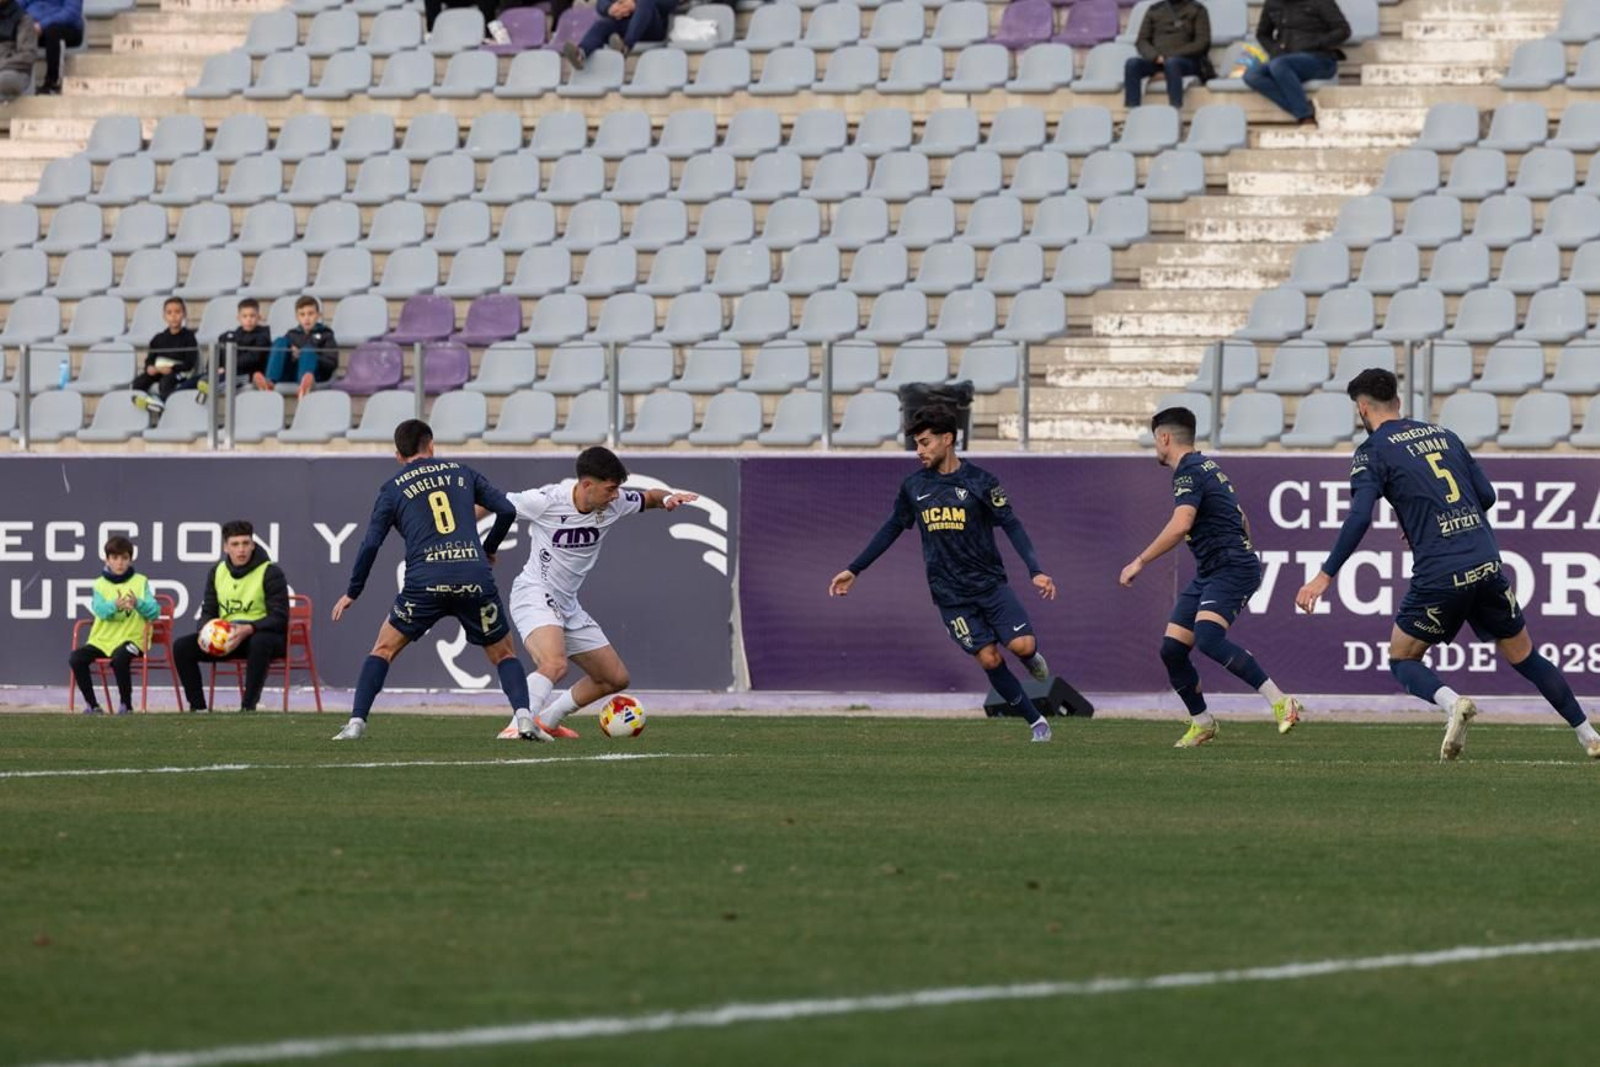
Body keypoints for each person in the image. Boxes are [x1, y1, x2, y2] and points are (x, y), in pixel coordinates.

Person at [1296, 369, 1600, 762]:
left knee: (1403, 658)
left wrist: (1324, 576)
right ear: (1398, 403)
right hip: (1485, 562)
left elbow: (1359, 517)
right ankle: (1588, 734)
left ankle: (1453, 703)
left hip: (1440, 571)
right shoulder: (1444, 435)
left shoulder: (1373, 451)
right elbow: (1486, 495)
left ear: (1363, 409)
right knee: (1526, 655)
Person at [829, 406, 1059, 742]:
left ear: (947, 439)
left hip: (990, 586)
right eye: (916, 444)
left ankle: (1030, 658)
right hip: (951, 596)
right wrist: (855, 569)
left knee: (1022, 646)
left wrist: (1035, 570)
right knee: (989, 658)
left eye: (925, 443)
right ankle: (1036, 722)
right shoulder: (914, 487)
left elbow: (1011, 523)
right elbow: (892, 527)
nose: (919, 451)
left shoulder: (981, 481)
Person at [330, 419, 537, 742]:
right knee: (505, 655)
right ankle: (524, 719)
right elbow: (507, 511)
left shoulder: (392, 488)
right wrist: (488, 549)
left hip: (425, 583)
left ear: (398, 455)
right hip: (473, 577)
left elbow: (370, 543)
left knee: (383, 649)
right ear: (431, 445)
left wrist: (353, 591)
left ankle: (356, 723)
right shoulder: (462, 473)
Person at [1119, 406, 1304, 748]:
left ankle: (1281, 701)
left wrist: (1139, 561)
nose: (1155, 447)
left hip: (1230, 568)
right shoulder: (1208, 467)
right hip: (1214, 570)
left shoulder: (1188, 472)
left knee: (1208, 637)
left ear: (1165, 438)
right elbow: (1241, 516)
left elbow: (1181, 525)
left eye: (1155, 440)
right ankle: (1202, 722)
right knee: (1172, 649)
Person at [491, 446, 699, 741]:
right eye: (610, 489)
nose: (615, 496)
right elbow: (492, 501)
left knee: (614, 678)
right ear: (587, 484)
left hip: (567, 604)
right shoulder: (546, 501)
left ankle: (547, 721)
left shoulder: (614, 503)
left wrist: (667, 498)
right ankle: (518, 726)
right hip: (534, 593)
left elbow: (650, 497)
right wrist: (462, 537)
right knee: (554, 664)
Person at [173, 520, 290, 714]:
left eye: (245, 543)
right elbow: (209, 609)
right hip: (227, 638)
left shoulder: (270, 572)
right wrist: (204, 629)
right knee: (182, 647)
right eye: (235, 544)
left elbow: (280, 617)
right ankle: (198, 708)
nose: (241, 549)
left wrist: (250, 628)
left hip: (263, 636)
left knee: (260, 642)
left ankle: (248, 707)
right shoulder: (217, 572)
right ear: (226, 547)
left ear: (253, 545)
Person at [68, 535, 159, 715]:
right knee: (76, 658)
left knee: (120, 658)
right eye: (115, 558)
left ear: (130, 560)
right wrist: (114, 605)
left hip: (133, 640)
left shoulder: (141, 581)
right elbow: (99, 610)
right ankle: (92, 705)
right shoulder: (99, 584)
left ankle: (126, 705)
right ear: (107, 560)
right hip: (102, 640)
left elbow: (154, 611)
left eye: (124, 558)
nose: (120, 563)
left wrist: (138, 603)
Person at [1246, 0, 1351, 127]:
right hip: (1285, 58)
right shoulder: (1272, 3)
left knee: (1279, 65)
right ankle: (1305, 109)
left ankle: (1306, 118)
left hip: (1320, 58)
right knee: (1252, 75)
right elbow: (1262, 34)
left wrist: (1316, 43)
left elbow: (1343, 30)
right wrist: (1275, 50)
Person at [1124, 0, 1213, 109]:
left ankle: (1175, 108)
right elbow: (1142, 41)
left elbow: (1202, 43)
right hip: (1158, 60)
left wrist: (1170, 56)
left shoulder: (1197, 10)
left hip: (1186, 61)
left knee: (1172, 63)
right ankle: (1133, 109)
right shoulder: (1154, 10)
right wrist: (1155, 56)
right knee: (1132, 64)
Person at [254, 295, 336, 399]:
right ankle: (269, 383)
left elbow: (331, 363)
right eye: (302, 314)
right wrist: (291, 354)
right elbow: (277, 356)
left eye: (310, 314)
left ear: (318, 315)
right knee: (280, 341)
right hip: (291, 373)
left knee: (307, 350)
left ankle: (305, 386)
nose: (306, 318)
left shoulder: (326, 334)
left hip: (315, 374)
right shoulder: (291, 334)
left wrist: (309, 355)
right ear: (297, 317)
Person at [131, 296, 199, 414]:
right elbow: (150, 359)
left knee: (166, 382)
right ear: (164, 316)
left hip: (178, 372)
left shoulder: (189, 337)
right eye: (169, 313)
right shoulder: (158, 338)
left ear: (184, 314)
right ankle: (145, 408)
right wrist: (149, 368)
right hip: (159, 371)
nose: (173, 316)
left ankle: (165, 411)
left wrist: (172, 368)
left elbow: (189, 363)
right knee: (138, 382)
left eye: (177, 312)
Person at [561, 0, 676, 70]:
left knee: (645, 3)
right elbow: (601, 3)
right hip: (626, 23)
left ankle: (625, 47)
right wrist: (610, 8)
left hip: (651, 26)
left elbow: (671, 3)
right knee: (602, 24)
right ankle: (580, 54)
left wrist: (635, 4)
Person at [23, 0, 79, 96]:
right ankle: (15, 83)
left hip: (64, 27)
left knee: (53, 32)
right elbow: (17, 6)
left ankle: (52, 83)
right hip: (32, 26)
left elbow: (71, 13)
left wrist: (42, 25)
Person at [0, 0, 39, 101]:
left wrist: (2, 64)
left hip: (13, 71)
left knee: (4, 80)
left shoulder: (23, 19)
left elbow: (28, 55)